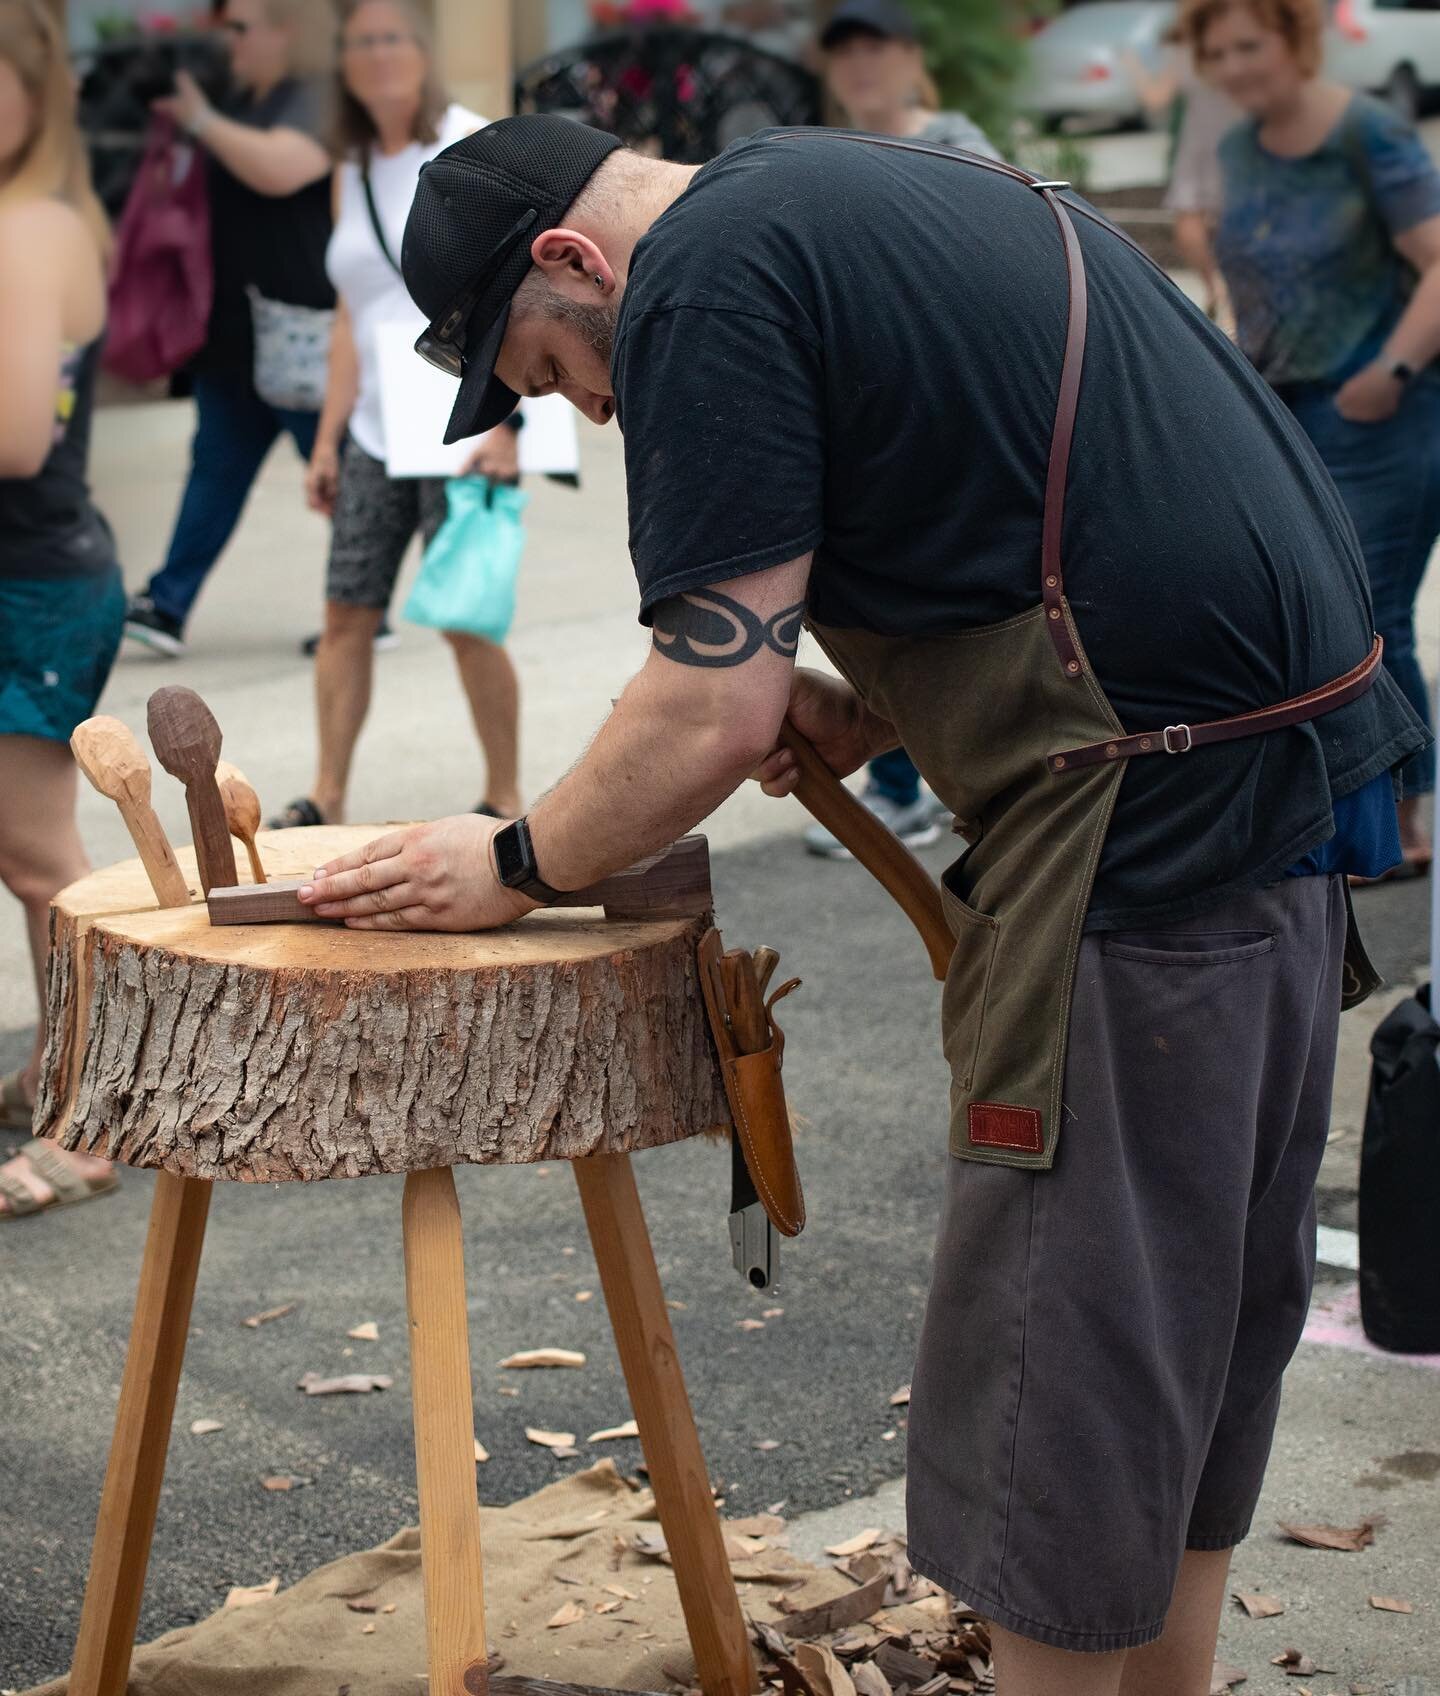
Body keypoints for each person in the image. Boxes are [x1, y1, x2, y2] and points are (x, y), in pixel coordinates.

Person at [297, 114, 1426, 1690]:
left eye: (555, 371)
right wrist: (893, 707)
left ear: (574, 260)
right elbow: (1064, 487)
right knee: (1190, 1330)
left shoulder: (700, 281)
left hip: (1152, 835)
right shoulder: (861, 184)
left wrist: (510, 862)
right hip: (1284, 790)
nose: (598, 408)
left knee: (1073, 1359)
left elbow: (706, 707)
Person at [1180, 0, 1440, 876]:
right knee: (1309, 614)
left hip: (1381, 413)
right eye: (1218, 53)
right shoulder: (1239, 149)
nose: (1237, 67)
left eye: (1250, 45)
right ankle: (1352, 811)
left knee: (1371, 615)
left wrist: (1391, 374)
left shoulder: (1368, 133)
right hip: (1284, 414)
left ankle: (1411, 818)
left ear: (1294, 39)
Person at [266, 0, 522, 828]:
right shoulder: (352, 165)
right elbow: (353, 314)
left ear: (422, 49)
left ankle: (505, 793)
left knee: (465, 616)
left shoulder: (469, 142)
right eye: (360, 43)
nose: (377, 55)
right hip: (378, 430)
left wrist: (507, 426)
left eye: (391, 38)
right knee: (345, 613)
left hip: (460, 419)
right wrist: (328, 439)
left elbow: (518, 292)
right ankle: (327, 795)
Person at [801, 0, 991, 859]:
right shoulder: (822, 155)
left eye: (876, 48)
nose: (861, 66)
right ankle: (900, 785)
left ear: (912, 58)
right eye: (846, 51)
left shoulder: (963, 150)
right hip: (870, 423)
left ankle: (935, 787)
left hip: (956, 421)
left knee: (948, 611)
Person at [0, 0, 121, 1216]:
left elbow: (19, 437)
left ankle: (91, 1117)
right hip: (33, 574)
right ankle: (60, 1069)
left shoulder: (30, 227)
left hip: (34, 578)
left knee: (43, 861)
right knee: (20, 854)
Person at [122, 0, 336, 658]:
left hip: (297, 333)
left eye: (241, 28)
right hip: (232, 334)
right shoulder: (239, 96)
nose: (229, 41)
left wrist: (201, 121)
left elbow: (282, 167)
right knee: (215, 467)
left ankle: (361, 608)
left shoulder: (317, 100)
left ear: (285, 32)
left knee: (332, 475)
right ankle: (168, 604)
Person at [1121, 40, 1238, 320]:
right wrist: (1132, 66)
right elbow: (1156, 98)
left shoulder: (1238, 43)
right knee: (1187, 230)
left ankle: (1234, 304)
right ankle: (1214, 287)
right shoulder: (1183, 52)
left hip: (1236, 143)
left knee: (1235, 230)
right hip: (1196, 148)